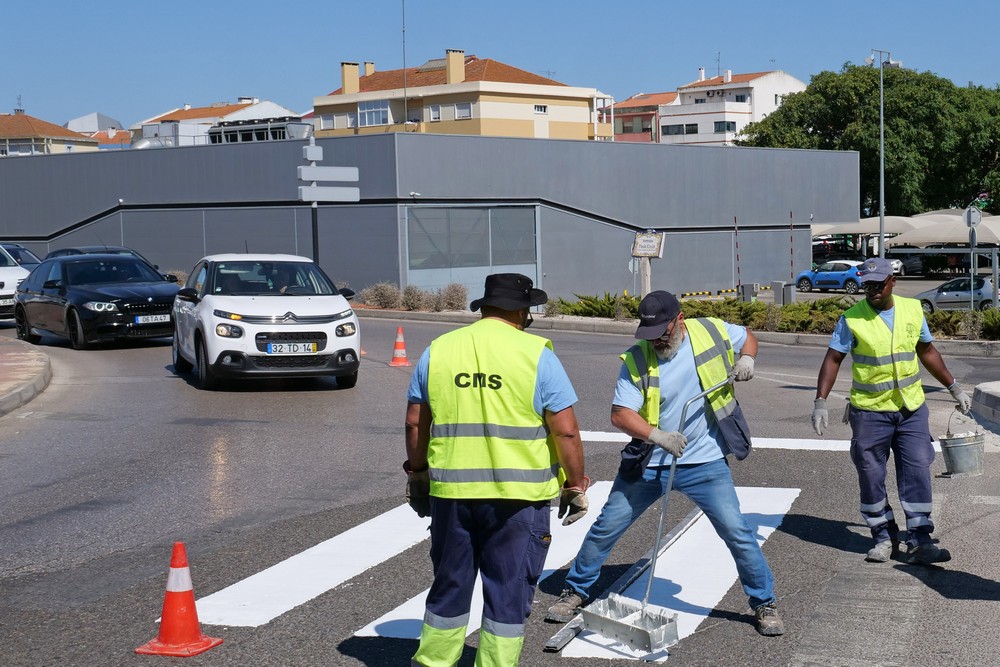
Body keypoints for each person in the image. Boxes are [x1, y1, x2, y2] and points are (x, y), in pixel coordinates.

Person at [546, 290, 785, 637]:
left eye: (663, 330)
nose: (657, 339)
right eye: (650, 332)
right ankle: (576, 590)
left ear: (680, 319)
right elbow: (620, 414)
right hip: (650, 463)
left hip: (705, 462)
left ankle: (764, 602)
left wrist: (747, 358)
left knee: (737, 532)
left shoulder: (711, 330)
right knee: (607, 526)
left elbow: (747, 335)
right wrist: (657, 436)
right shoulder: (637, 359)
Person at [403, 272, 589, 667]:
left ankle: (435, 661)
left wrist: (417, 474)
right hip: (517, 500)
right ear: (522, 312)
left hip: (452, 496)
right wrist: (575, 484)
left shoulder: (439, 350)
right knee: (508, 590)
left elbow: (416, 421)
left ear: (484, 307)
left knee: (450, 585)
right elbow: (567, 432)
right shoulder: (537, 354)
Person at [812, 257, 972, 565]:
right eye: (867, 285)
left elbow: (926, 351)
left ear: (892, 282)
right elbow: (833, 359)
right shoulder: (852, 318)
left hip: (911, 409)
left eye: (878, 284)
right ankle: (884, 537)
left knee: (917, 472)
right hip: (870, 412)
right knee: (871, 476)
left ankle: (921, 540)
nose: (871, 290)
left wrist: (954, 386)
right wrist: (820, 401)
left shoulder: (912, 310)